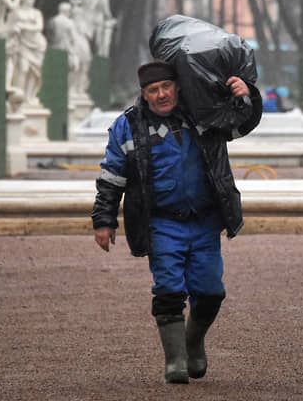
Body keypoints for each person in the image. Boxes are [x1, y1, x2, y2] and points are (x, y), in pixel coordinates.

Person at [91, 59, 262, 384]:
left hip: (204, 221)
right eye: (153, 90)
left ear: (177, 86)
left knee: (210, 291)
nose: (161, 95)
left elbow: (241, 125)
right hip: (161, 223)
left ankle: (193, 342)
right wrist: (104, 219)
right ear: (144, 93)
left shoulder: (203, 114)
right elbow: (112, 177)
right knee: (168, 288)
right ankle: (175, 361)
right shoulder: (127, 126)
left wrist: (248, 96)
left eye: (165, 87)